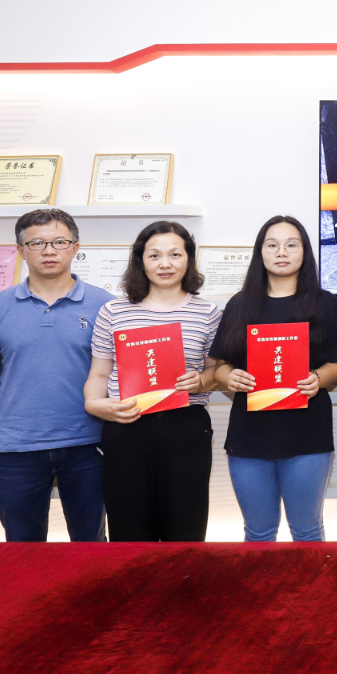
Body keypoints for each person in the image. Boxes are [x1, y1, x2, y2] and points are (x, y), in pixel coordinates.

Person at [0, 209, 114, 542]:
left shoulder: (106, 306)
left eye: (59, 242)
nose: (49, 251)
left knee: (91, 546)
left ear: (76, 248)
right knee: (22, 549)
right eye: (37, 243)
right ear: (21, 250)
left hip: (89, 445)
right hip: (15, 449)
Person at [210, 216, 337, 542]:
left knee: (307, 531)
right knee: (258, 534)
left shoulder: (326, 304)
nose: (281, 252)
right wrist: (231, 377)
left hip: (307, 435)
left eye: (291, 245)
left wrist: (318, 378)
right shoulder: (239, 304)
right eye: (272, 245)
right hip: (249, 436)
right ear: (260, 252)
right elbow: (220, 368)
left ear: (305, 251)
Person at [83, 221, 221, 542]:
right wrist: (94, 404)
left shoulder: (209, 312)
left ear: (189, 259)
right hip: (127, 424)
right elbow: (99, 373)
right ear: (140, 260)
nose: (165, 264)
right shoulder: (113, 311)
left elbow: (216, 371)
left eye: (175, 254)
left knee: (185, 528)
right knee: (129, 529)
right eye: (154, 255)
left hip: (185, 427)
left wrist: (200, 381)